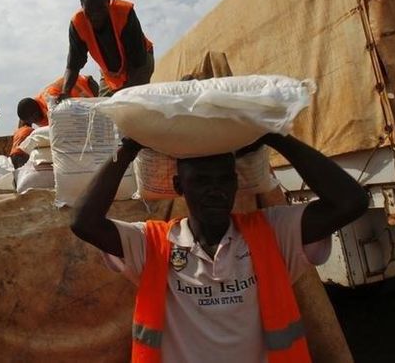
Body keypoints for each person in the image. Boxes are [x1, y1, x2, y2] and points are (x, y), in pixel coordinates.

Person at [70, 134, 369, 363]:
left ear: (236, 183)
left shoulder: (274, 232)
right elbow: (84, 222)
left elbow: (351, 202)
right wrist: (128, 148)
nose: (215, 189)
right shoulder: (151, 243)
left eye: (224, 178)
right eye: (200, 180)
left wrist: (276, 138)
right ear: (179, 185)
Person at [59, 0, 154, 99]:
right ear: (82, 5)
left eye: (100, 8)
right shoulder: (77, 24)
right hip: (111, 75)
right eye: (89, 10)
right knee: (102, 111)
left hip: (140, 62)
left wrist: (125, 94)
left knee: (133, 102)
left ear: (108, 1)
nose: (95, 15)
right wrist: (65, 92)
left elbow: (137, 61)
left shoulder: (124, 13)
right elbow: (73, 65)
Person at [10, 75, 98, 168]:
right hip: (79, 108)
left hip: (87, 85)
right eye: (32, 121)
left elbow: (59, 126)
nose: (36, 122)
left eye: (35, 118)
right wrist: (18, 153)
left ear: (35, 112)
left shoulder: (50, 98)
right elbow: (22, 131)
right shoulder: (29, 112)